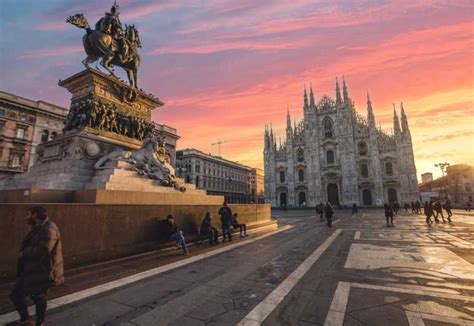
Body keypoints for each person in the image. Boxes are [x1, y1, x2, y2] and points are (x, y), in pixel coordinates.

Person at [9, 207, 64, 326]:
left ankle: (39, 323)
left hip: (43, 271)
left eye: (28, 214)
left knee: (38, 297)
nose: (26, 217)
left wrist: (24, 253)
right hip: (33, 269)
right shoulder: (39, 227)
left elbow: (44, 249)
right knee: (18, 294)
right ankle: (27, 321)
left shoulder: (49, 228)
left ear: (34, 215)